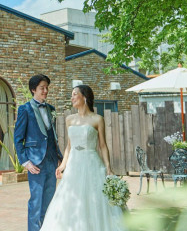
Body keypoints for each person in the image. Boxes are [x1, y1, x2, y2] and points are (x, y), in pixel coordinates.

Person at [39, 84, 125, 231]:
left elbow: (103, 145)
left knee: (95, 199)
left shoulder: (97, 119)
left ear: (84, 97)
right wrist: (63, 165)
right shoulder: (70, 119)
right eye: (71, 95)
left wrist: (108, 168)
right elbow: (69, 146)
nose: (71, 98)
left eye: (74, 94)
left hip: (92, 163)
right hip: (74, 165)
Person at [14, 74, 63, 231]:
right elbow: (18, 139)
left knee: (49, 201)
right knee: (36, 201)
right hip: (35, 162)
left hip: (51, 161)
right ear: (33, 89)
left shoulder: (51, 109)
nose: (45, 91)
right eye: (42, 88)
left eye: (47, 88)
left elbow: (53, 136)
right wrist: (26, 162)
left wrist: (59, 158)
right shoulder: (25, 109)